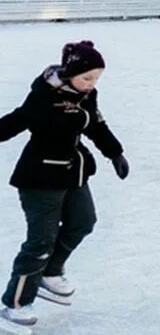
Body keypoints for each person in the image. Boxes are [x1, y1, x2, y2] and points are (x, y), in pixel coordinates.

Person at [0, 41, 129, 330]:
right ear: (71, 72)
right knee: (39, 242)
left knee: (83, 222)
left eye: (96, 79)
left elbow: (95, 125)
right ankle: (15, 304)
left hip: (73, 174)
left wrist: (115, 152)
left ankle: (50, 273)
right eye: (87, 78)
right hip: (40, 178)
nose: (91, 84)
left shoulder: (86, 95)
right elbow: (16, 121)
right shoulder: (44, 96)